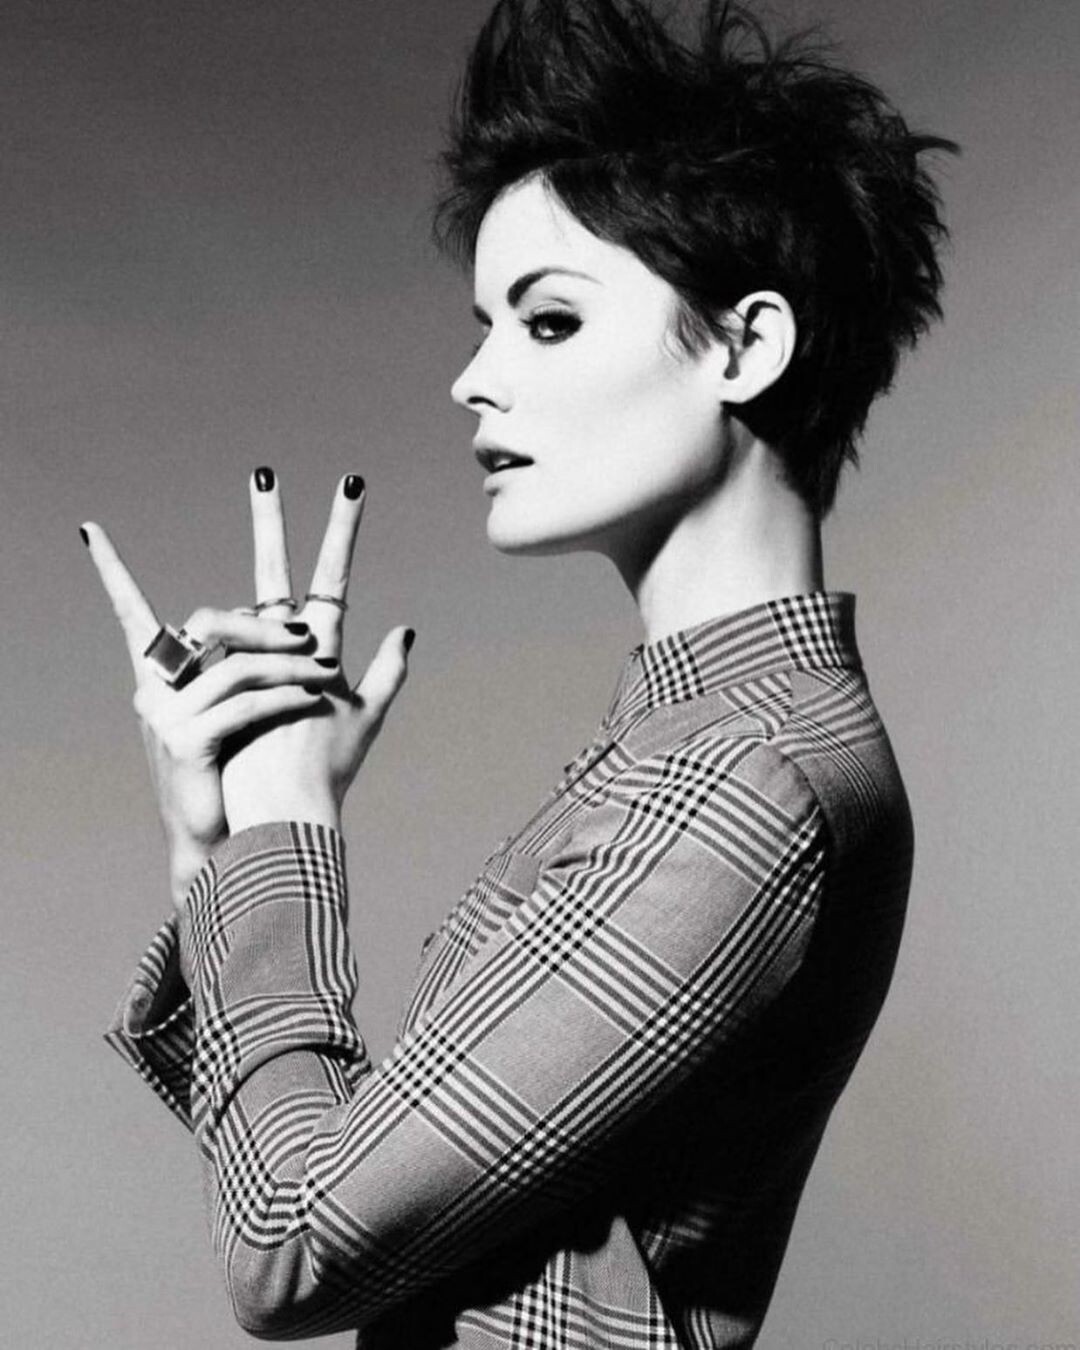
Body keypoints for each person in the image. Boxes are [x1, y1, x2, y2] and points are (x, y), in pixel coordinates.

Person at [86, 1, 955, 1345]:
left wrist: (284, 825)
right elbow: (364, 1194)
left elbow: (292, 1244)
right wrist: (216, 848)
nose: (472, 379)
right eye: (485, 322)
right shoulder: (703, 745)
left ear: (747, 345)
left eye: (547, 322)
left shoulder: (739, 783)